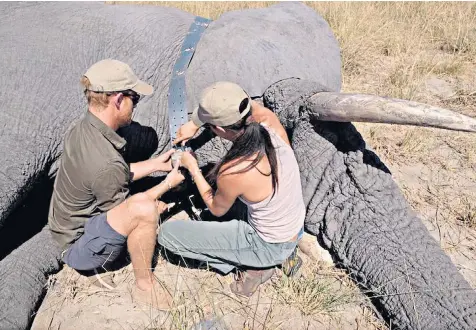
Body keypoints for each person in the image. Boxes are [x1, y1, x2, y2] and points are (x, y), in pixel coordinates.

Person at [48, 59, 185, 310]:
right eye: (135, 98)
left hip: (66, 227)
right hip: (80, 247)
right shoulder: (106, 163)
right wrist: (167, 184)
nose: (135, 105)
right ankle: (144, 286)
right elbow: (132, 209)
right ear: (119, 100)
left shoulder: (83, 129)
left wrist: (155, 165)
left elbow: (112, 174)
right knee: (146, 211)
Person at [158, 81, 305, 297]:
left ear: (218, 129)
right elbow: (246, 105)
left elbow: (216, 208)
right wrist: (194, 123)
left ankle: (257, 266)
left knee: (167, 235)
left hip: (267, 244)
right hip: (293, 228)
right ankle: (279, 254)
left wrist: (193, 168)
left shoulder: (235, 171)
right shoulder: (269, 122)